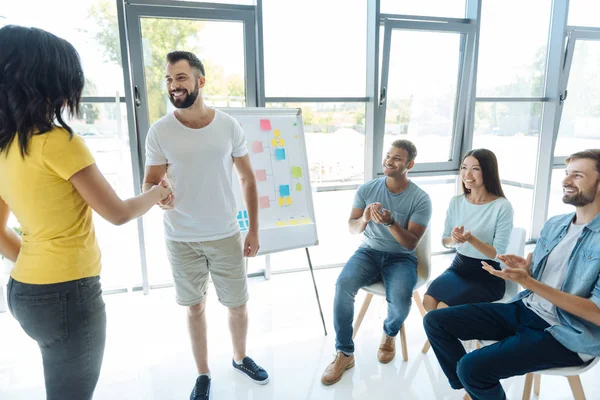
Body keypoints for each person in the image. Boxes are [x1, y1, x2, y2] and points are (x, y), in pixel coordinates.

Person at [0, 25, 170, 400]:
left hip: (22, 292)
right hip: (68, 296)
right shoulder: (59, 142)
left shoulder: (5, 147)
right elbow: (119, 213)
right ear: (46, 82)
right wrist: (157, 193)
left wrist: (34, 261)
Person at [424, 149, 600, 400]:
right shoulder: (555, 224)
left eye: (578, 176)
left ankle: (474, 384)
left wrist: (530, 282)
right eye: (566, 174)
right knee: (436, 321)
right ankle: (474, 390)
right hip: (527, 308)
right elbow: (542, 277)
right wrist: (527, 271)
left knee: (470, 367)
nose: (565, 181)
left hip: (567, 331)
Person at [142, 51, 268, 400]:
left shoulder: (228, 125)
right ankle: (202, 373)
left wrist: (253, 229)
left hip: (226, 233)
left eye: (180, 77)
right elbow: (150, 183)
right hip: (181, 238)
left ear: (200, 81)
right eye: (168, 79)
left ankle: (240, 358)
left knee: (238, 304)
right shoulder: (160, 130)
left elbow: (247, 180)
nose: (173, 85)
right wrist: (159, 197)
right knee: (194, 306)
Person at [321, 139, 432, 386]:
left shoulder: (421, 199)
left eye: (397, 158)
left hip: (401, 258)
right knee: (342, 286)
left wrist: (391, 223)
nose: (389, 161)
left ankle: (389, 333)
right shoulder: (367, 189)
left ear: (409, 164)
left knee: (401, 300)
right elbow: (352, 227)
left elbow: (411, 244)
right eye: (388, 156)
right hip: (368, 252)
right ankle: (344, 353)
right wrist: (364, 220)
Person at [423, 149, 513, 312]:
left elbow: (496, 253)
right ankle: (441, 337)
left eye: (475, 169)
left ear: (488, 172)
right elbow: (445, 241)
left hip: (487, 276)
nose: (467, 174)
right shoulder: (456, 202)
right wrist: (454, 238)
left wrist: (471, 239)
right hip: (459, 268)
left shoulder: (502, 206)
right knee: (428, 301)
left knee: (444, 308)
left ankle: (440, 337)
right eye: (464, 167)